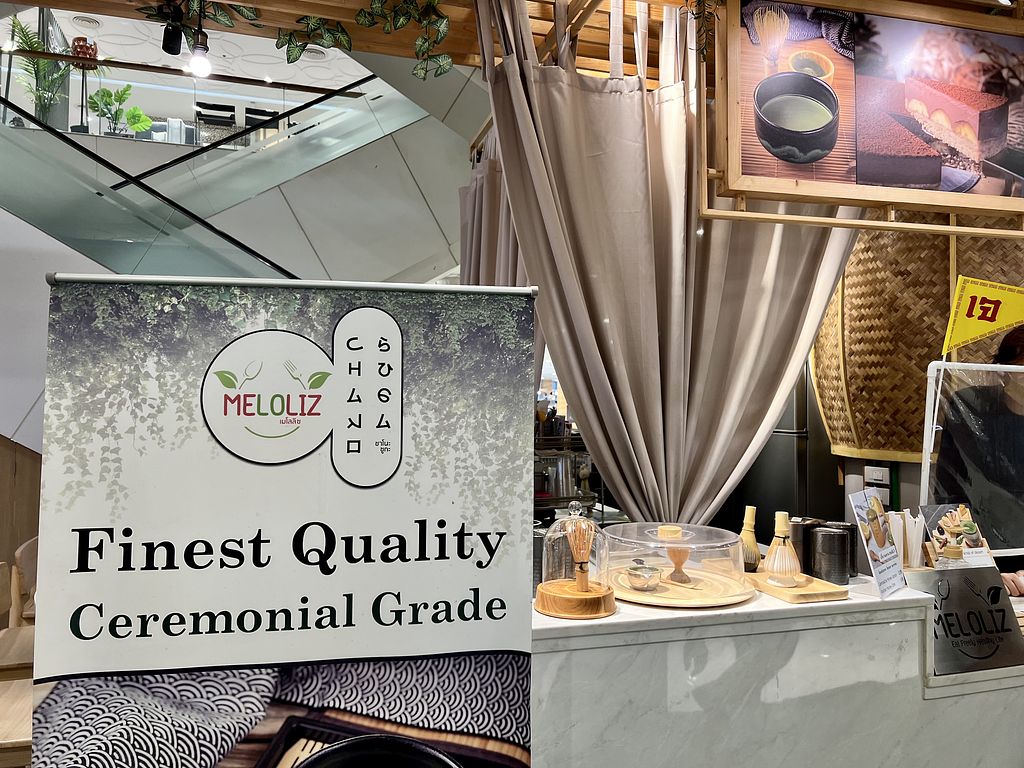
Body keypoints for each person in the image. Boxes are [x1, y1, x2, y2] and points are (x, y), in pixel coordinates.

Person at [934, 326, 1024, 597]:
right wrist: (978, 564)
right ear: (1005, 370)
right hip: (979, 558)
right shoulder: (970, 407)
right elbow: (949, 494)